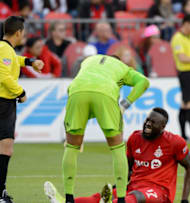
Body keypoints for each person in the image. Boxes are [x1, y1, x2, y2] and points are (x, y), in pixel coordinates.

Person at [44, 108, 190, 203]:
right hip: (133, 185)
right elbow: (127, 167)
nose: (148, 124)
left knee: (134, 196)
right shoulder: (135, 138)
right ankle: (63, 201)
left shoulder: (175, 142)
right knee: (98, 197)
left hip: (159, 192)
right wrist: (121, 183)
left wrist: (184, 199)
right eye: (147, 120)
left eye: (153, 122)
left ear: (162, 127)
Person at [62, 54, 150, 203]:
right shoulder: (123, 68)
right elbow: (144, 82)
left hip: (76, 91)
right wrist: (124, 105)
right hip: (106, 93)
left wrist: (78, 127)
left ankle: (69, 198)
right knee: (117, 147)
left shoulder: (88, 60)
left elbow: (78, 88)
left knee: (71, 147)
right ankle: (121, 199)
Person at [0, 16, 44, 203]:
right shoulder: (4, 50)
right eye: (23, 32)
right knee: (5, 151)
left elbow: (12, 60)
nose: (23, 35)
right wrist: (21, 92)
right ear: (18, 32)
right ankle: (0, 195)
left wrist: (30, 61)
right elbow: (5, 77)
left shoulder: (2, 48)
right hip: (2, 104)